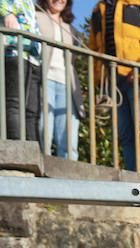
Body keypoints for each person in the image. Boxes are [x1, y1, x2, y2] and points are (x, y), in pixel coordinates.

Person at [89, 0, 140, 175]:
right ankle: (133, 175)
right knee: (124, 133)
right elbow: (94, 48)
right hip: (111, 80)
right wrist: (99, 80)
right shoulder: (97, 12)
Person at [0, 0, 43, 143]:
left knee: (32, 112)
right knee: (14, 104)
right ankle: (18, 146)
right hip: (13, 50)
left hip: (33, 56)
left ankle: (34, 150)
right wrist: (7, 13)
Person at [34, 0, 85, 159]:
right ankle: (41, 173)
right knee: (44, 132)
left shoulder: (70, 29)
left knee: (68, 138)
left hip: (66, 85)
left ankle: (70, 178)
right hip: (45, 79)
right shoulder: (36, 16)